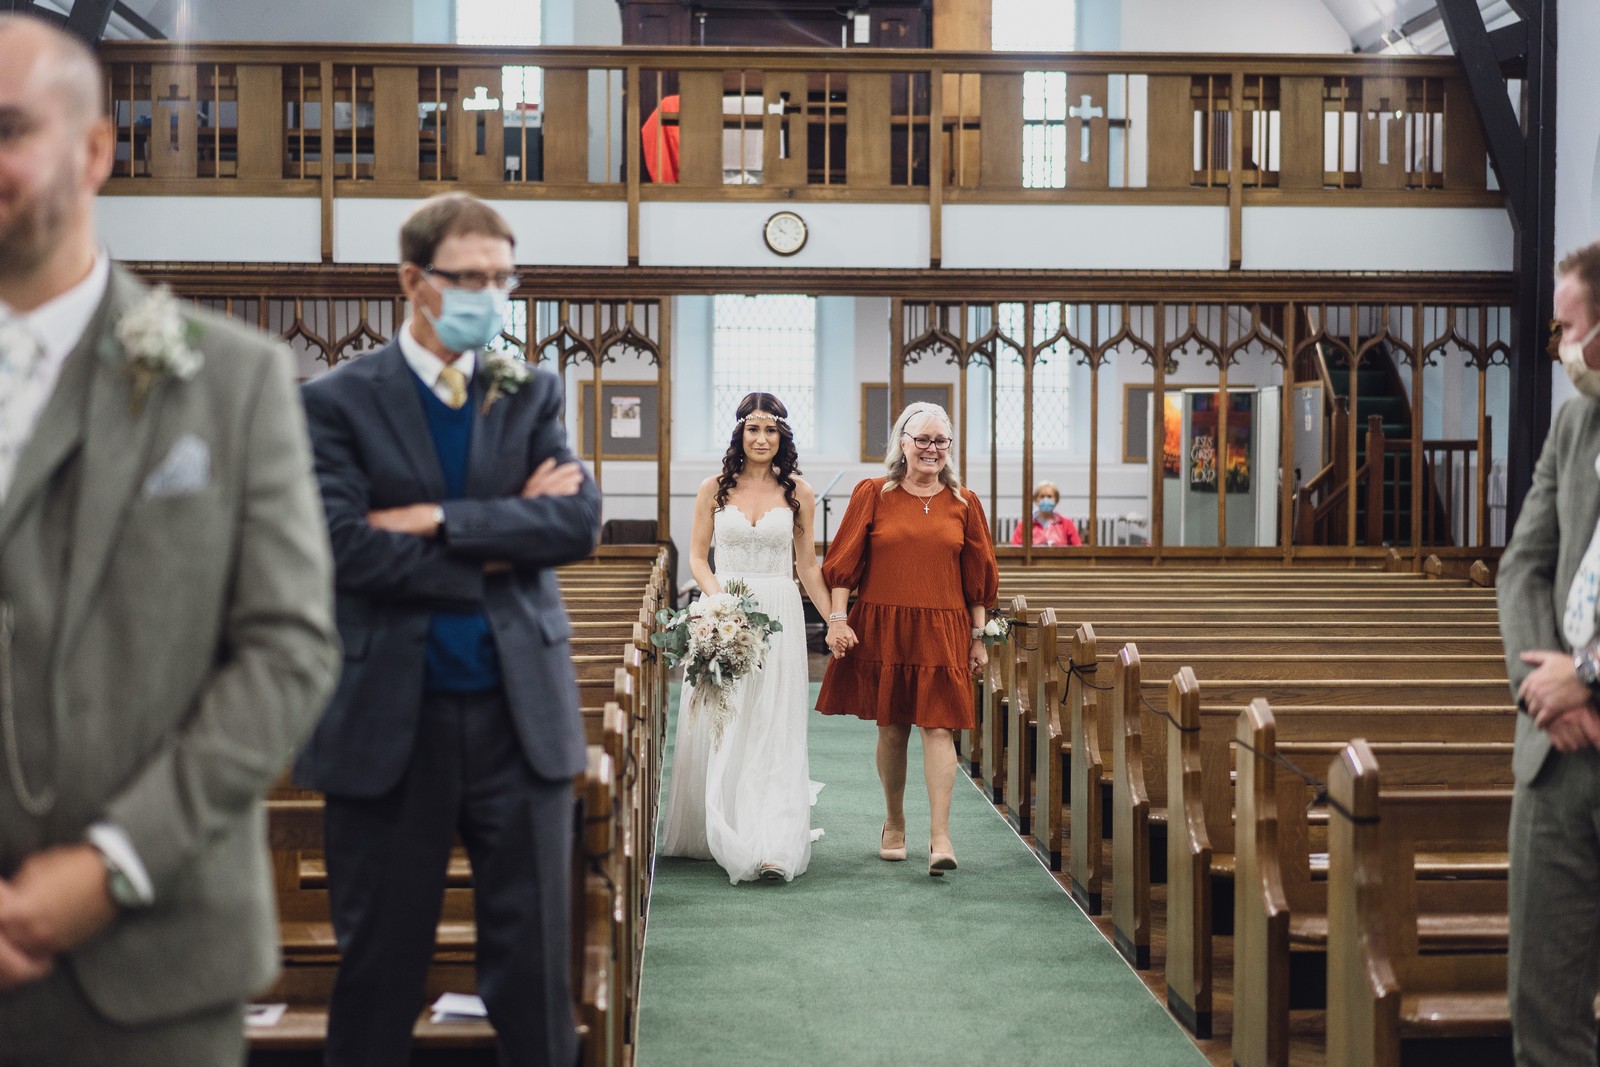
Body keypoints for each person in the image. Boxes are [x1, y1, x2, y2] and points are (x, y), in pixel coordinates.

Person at [0, 15, 341, 1065]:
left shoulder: (232, 381)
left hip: (150, 966)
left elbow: (288, 648)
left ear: (96, 148)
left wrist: (114, 861)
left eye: (8, 129)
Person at [295, 193, 601, 1067]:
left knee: (536, 981)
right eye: (470, 278)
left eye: (504, 278)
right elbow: (343, 548)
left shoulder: (528, 391)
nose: (490, 295)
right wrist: (502, 535)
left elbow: (574, 523)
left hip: (520, 721)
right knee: (379, 974)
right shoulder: (338, 401)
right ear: (414, 281)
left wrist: (434, 520)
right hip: (389, 719)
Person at [816, 402, 998, 876]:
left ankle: (941, 836)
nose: (931, 449)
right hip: (886, 625)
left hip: (943, 628)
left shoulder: (964, 503)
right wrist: (838, 619)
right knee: (893, 727)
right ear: (902, 442)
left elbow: (978, 577)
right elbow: (844, 563)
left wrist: (979, 637)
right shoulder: (873, 493)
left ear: (950, 447)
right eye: (922, 439)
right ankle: (894, 822)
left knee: (939, 727)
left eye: (940, 441)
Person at [1496, 238, 1600, 1067]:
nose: (1559, 347)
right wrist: (1546, 688)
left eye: (1568, 329)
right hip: (1559, 760)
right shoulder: (1574, 425)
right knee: (1545, 1018)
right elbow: (1523, 565)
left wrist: (1588, 677)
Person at [661, 393, 830, 884]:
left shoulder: (799, 492)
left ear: (782, 437)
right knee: (726, 719)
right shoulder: (713, 488)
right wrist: (719, 605)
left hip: (779, 610)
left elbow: (807, 566)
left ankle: (772, 839)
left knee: (772, 720)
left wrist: (835, 619)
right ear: (739, 434)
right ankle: (721, 822)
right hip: (724, 608)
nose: (761, 439)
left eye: (770, 430)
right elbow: (697, 557)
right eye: (753, 429)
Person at [1010, 480, 1082, 547]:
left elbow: (1078, 548)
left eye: (1049, 496)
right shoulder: (1025, 525)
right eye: (1042, 496)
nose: (1045, 500)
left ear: (1056, 499)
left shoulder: (1067, 524)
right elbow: (1015, 549)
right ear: (1036, 499)